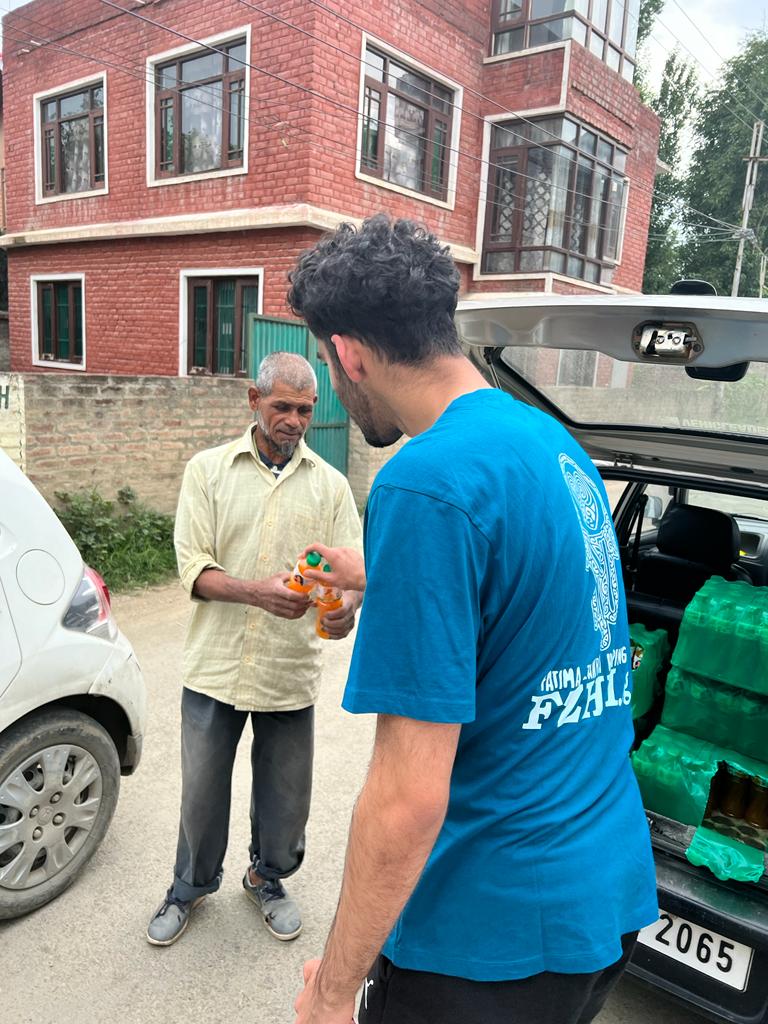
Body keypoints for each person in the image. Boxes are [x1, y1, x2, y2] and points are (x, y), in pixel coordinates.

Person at [286, 215, 659, 1024]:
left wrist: (330, 989)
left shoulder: (426, 482)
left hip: (486, 943)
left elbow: (405, 797)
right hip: (605, 898)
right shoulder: (552, 441)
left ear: (347, 353)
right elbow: (526, 600)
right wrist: (377, 575)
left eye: (327, 361)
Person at [146, 352, 363, 947]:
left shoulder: (332, 487)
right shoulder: (208, 471)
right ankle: (187, 887)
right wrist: (255, 593)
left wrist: (344, 611)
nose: (294, 420)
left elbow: (348, 579)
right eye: (282, 407)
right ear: (253, 401)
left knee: (287, 799)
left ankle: (266, 878)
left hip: (287, 672)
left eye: (306, 410)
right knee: (201, 793)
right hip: (214, 669)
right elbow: (193, 569)